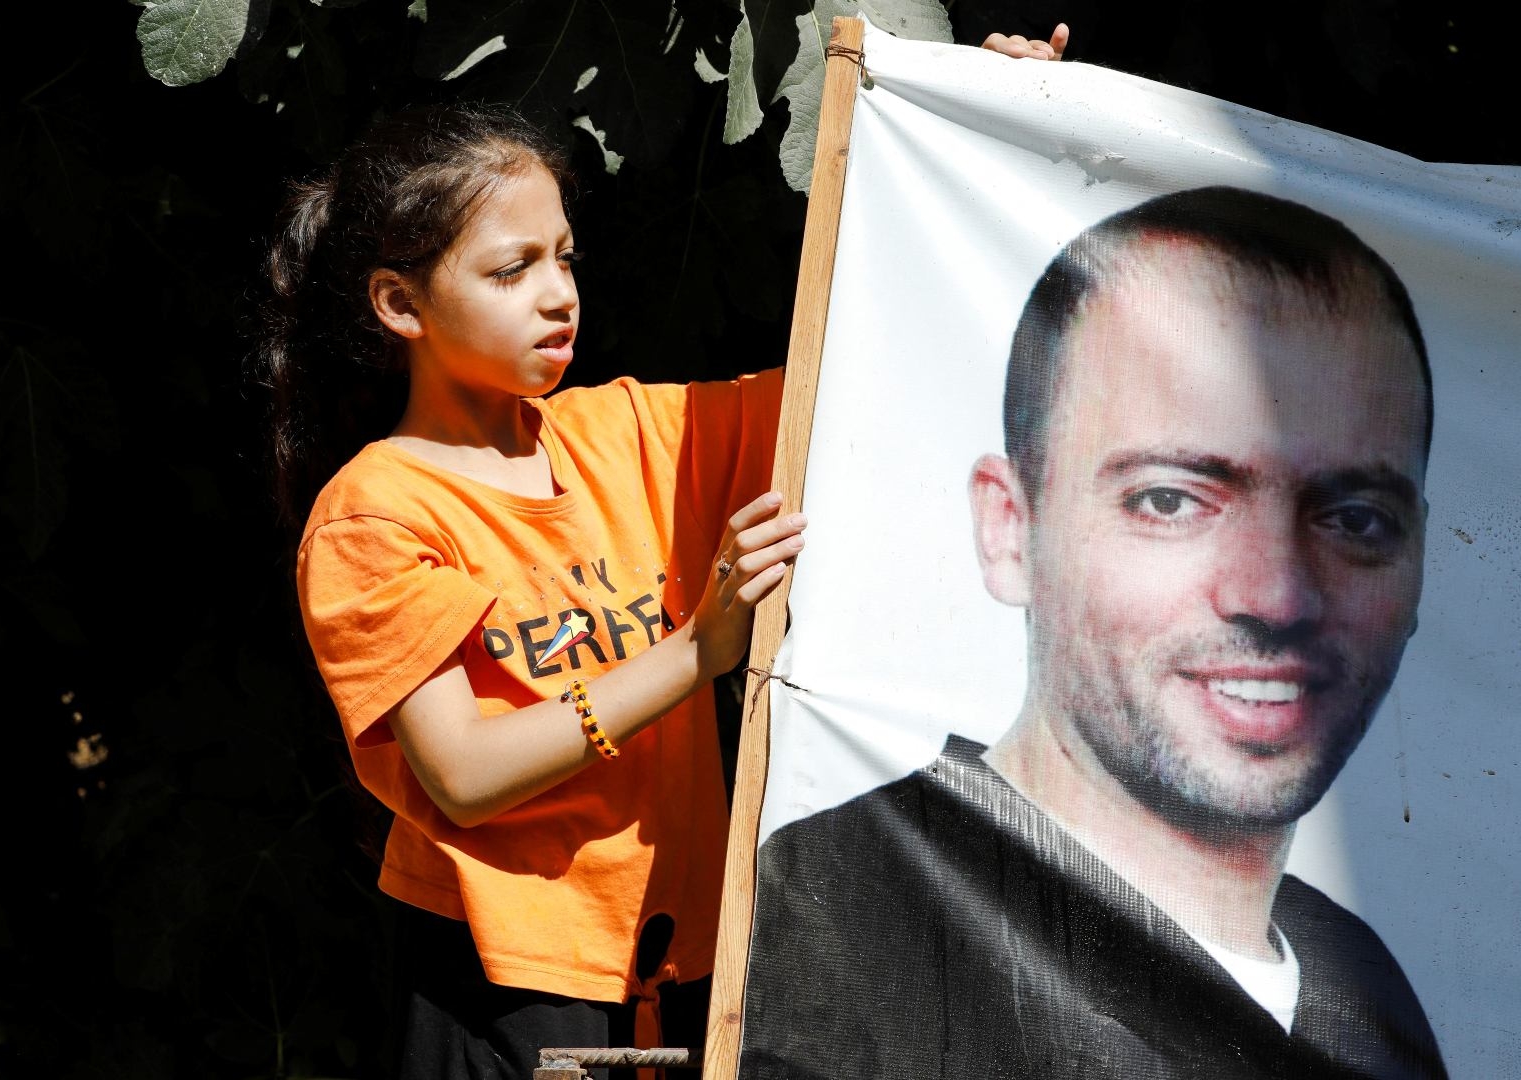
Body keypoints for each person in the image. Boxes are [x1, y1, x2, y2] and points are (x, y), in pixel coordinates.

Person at [262, 34, 1068, 1080]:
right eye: (511, 269)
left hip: (682, 975)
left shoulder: (630, 433)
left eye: (563, 258)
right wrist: (695, 655)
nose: (557, 295)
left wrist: (988, 133)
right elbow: (462, 774)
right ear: (398, 305)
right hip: (502, 995)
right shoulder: (376, 512)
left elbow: (865, 373)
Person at [741, 186, 1448, 1078]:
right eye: (1169, 500)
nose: (1274, 595)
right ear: (1009, 530)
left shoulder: (1366, 995)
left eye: (1353, 519)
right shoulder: (849, 911)